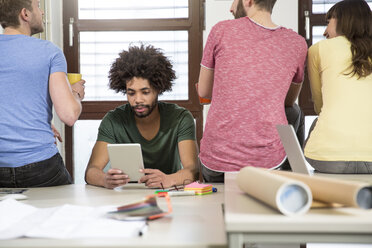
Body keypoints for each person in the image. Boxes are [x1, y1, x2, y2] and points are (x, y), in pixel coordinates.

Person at [197, 0, 308, 182]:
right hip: (268, 162)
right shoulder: (297, 43)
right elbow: (288, 102)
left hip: (216, 162)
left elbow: (203, 91)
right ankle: (293, 182)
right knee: (294, 112)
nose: (231, 7)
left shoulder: (221, 30)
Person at [85, 44, 198, 189]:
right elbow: (91, 171)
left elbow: (193, 170)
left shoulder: (180, 118)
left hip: (168, 192)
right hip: (126, 194)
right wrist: (105, 180)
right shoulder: (114, 120)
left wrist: (169, 179)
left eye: (145, 92)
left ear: (158, 89)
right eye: (131, 93)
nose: (138, 99)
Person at [0, 0, 85, 187]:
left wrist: (35, 121)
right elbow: (69, 115)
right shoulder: (49, 52)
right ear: (25, 14)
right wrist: (75, 94)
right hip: (40, 167)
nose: (42, 13)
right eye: (38, 7)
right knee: (64, 212)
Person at [304, 0, 372, 174]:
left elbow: (319, 106)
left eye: (328, 22)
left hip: (328, 160)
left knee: (318, 122)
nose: (325, 31)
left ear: (343, 20)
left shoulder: (318, 49)